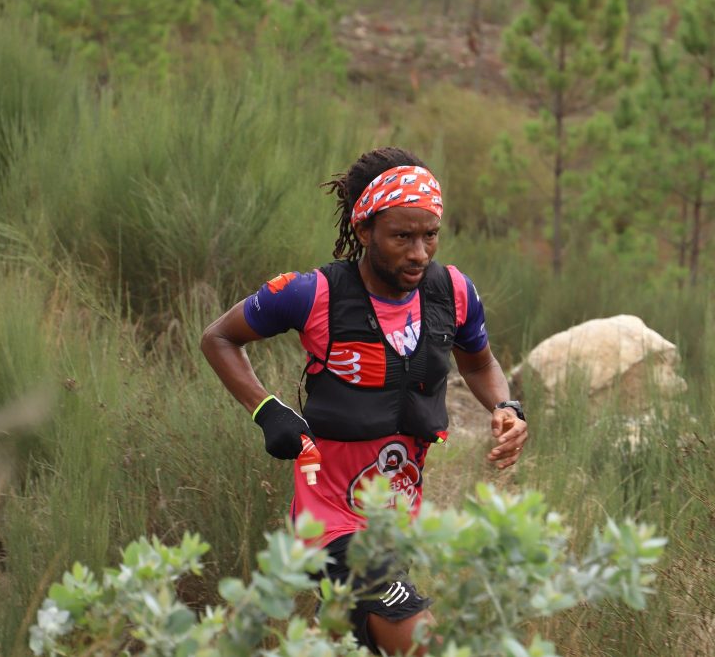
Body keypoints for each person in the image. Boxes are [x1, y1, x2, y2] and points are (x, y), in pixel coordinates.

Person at [200, 146, 528, 655]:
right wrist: (266, 410)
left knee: (352, 643)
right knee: (424, 642)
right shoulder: (312, 294)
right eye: (402, 237)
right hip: (328, 517)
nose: (419, 253)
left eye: (430, 235)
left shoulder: (453, 292)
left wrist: (506, 408)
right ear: (364, 229)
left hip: (395, 520)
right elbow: (219, 338)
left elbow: (480, 364)